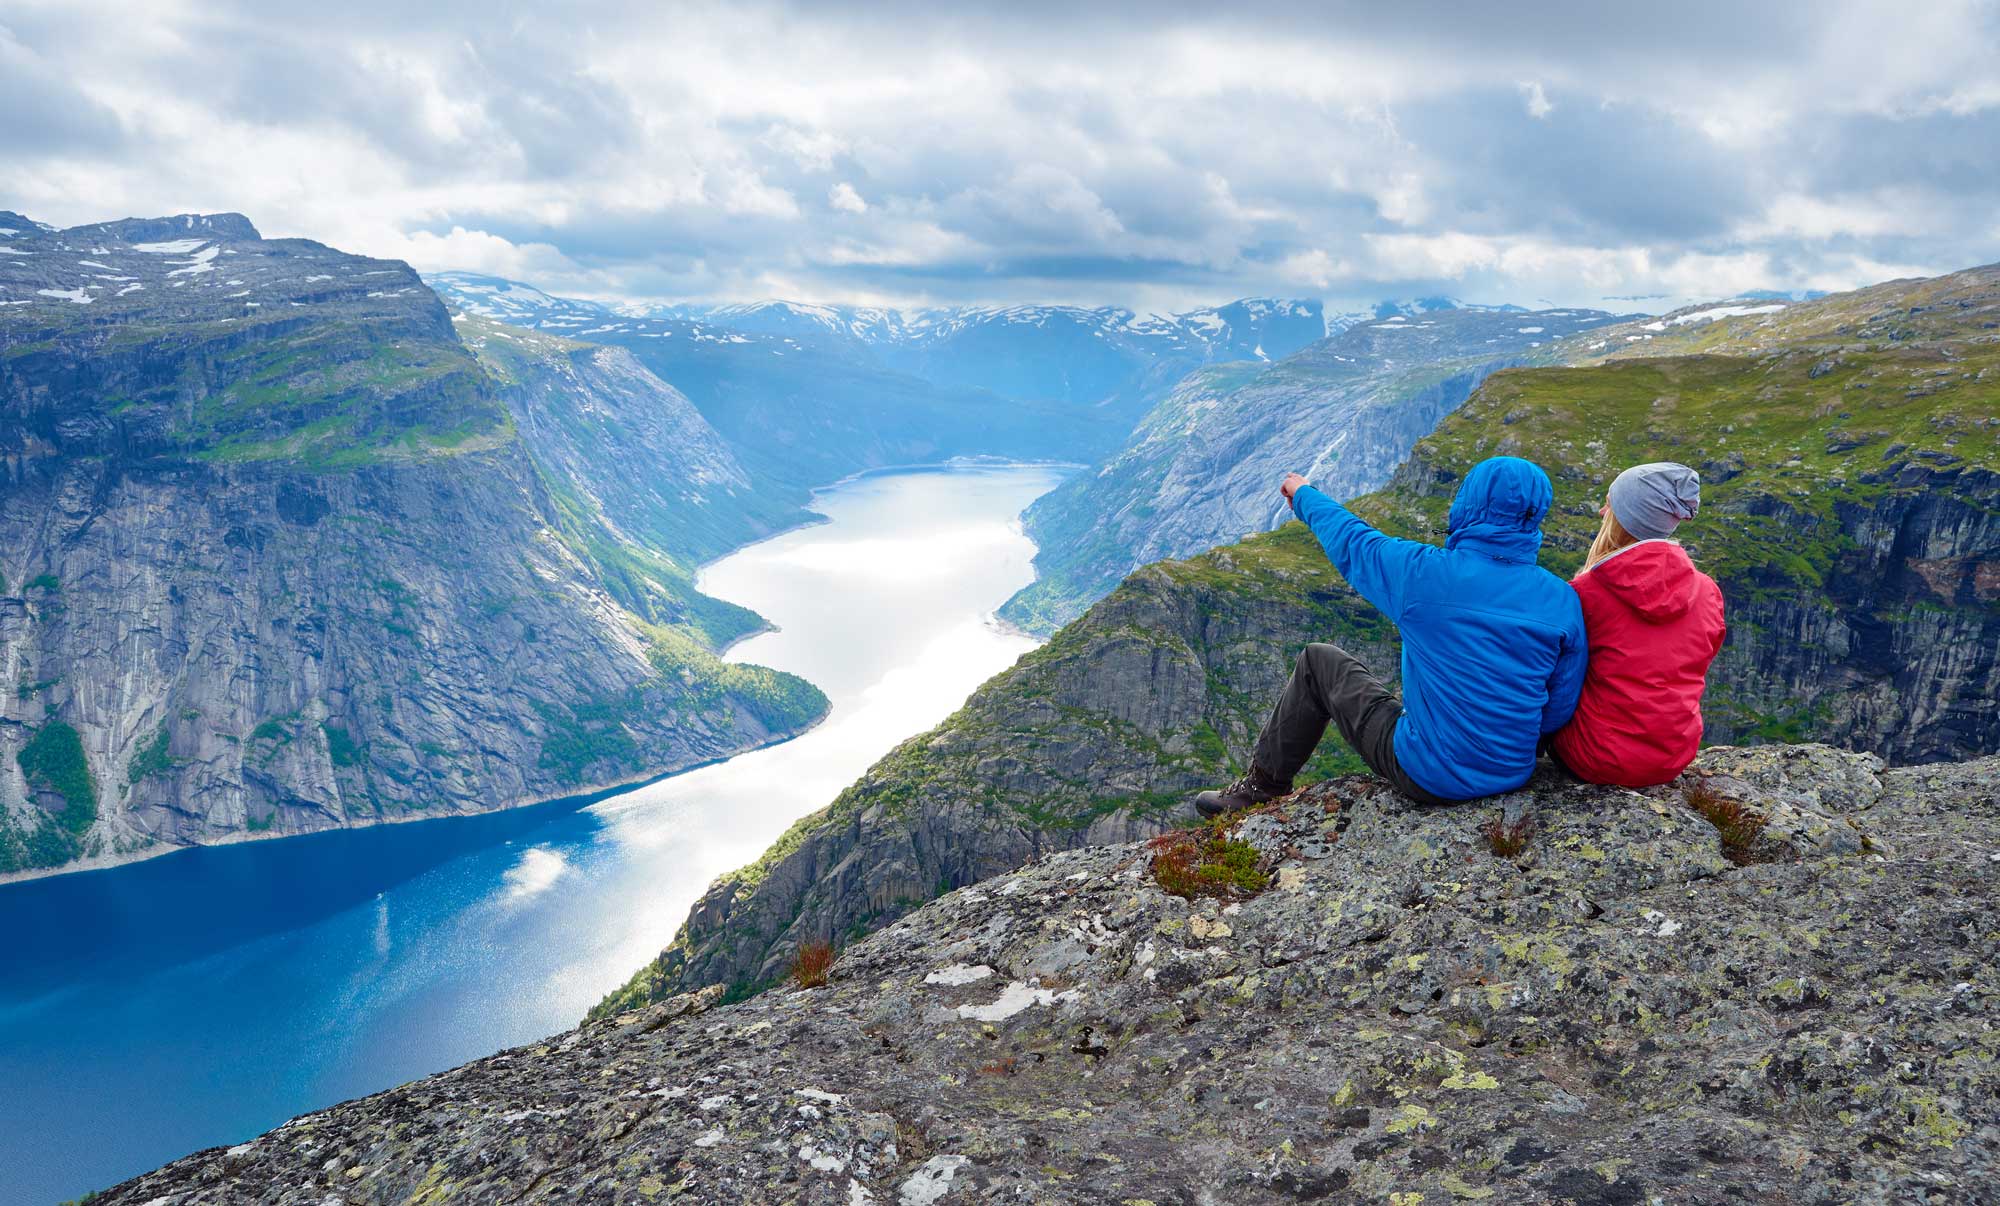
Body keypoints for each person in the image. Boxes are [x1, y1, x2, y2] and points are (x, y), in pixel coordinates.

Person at [1196, 456, 1588, 816]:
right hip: (1511, 771)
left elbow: (1353, 540)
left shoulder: (1422, 576)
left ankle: (1260, 788)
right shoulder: (1562, 600)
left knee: (1319, 661)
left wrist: (1302, 495)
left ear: (1469, 502)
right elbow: (1558, 707)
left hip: (1428, 775)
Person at [1549, 462, 1725, 788]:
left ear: (1624, 518)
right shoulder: (1707, 592)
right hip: (1673, 756)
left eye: (1610, 504)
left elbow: (1558, 677)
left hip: (1595, 757)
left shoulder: (1584, 594)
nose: (1602, 511)